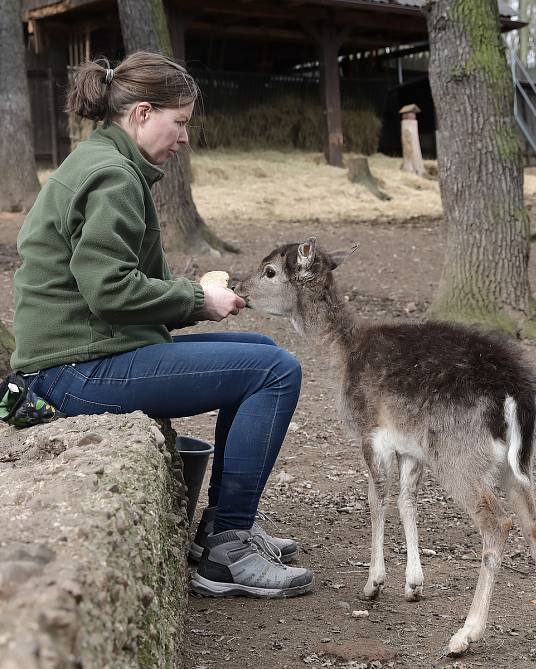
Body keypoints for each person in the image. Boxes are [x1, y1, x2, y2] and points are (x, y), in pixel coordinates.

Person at [11, 52, 313, 599]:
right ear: (143, 112)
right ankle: (226, 547)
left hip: (80, 357)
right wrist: (198, 298)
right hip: (74, 371)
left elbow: (106, 280)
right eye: (181, 123)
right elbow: (109, 290)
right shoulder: (112, 176)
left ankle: (225, 528)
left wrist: (195, 297)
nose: (184, 139)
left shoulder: (102, 162)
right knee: (274, 369)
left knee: (262, 351)